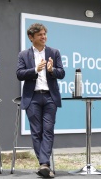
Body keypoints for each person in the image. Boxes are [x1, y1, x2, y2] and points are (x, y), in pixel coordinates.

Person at [16, 23, 65, 178]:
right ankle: (44, 164)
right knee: (36, 131)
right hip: (33, 97)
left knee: (48, 130)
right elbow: (19, 74)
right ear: (31, 37)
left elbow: (62, 73)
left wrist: (51, 70)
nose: (44, 37)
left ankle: (44, 164)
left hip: (50, 96)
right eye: (40, 35)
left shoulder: (54, 52)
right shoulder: (23, 55)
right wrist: (34, 70)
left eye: (45, 34)